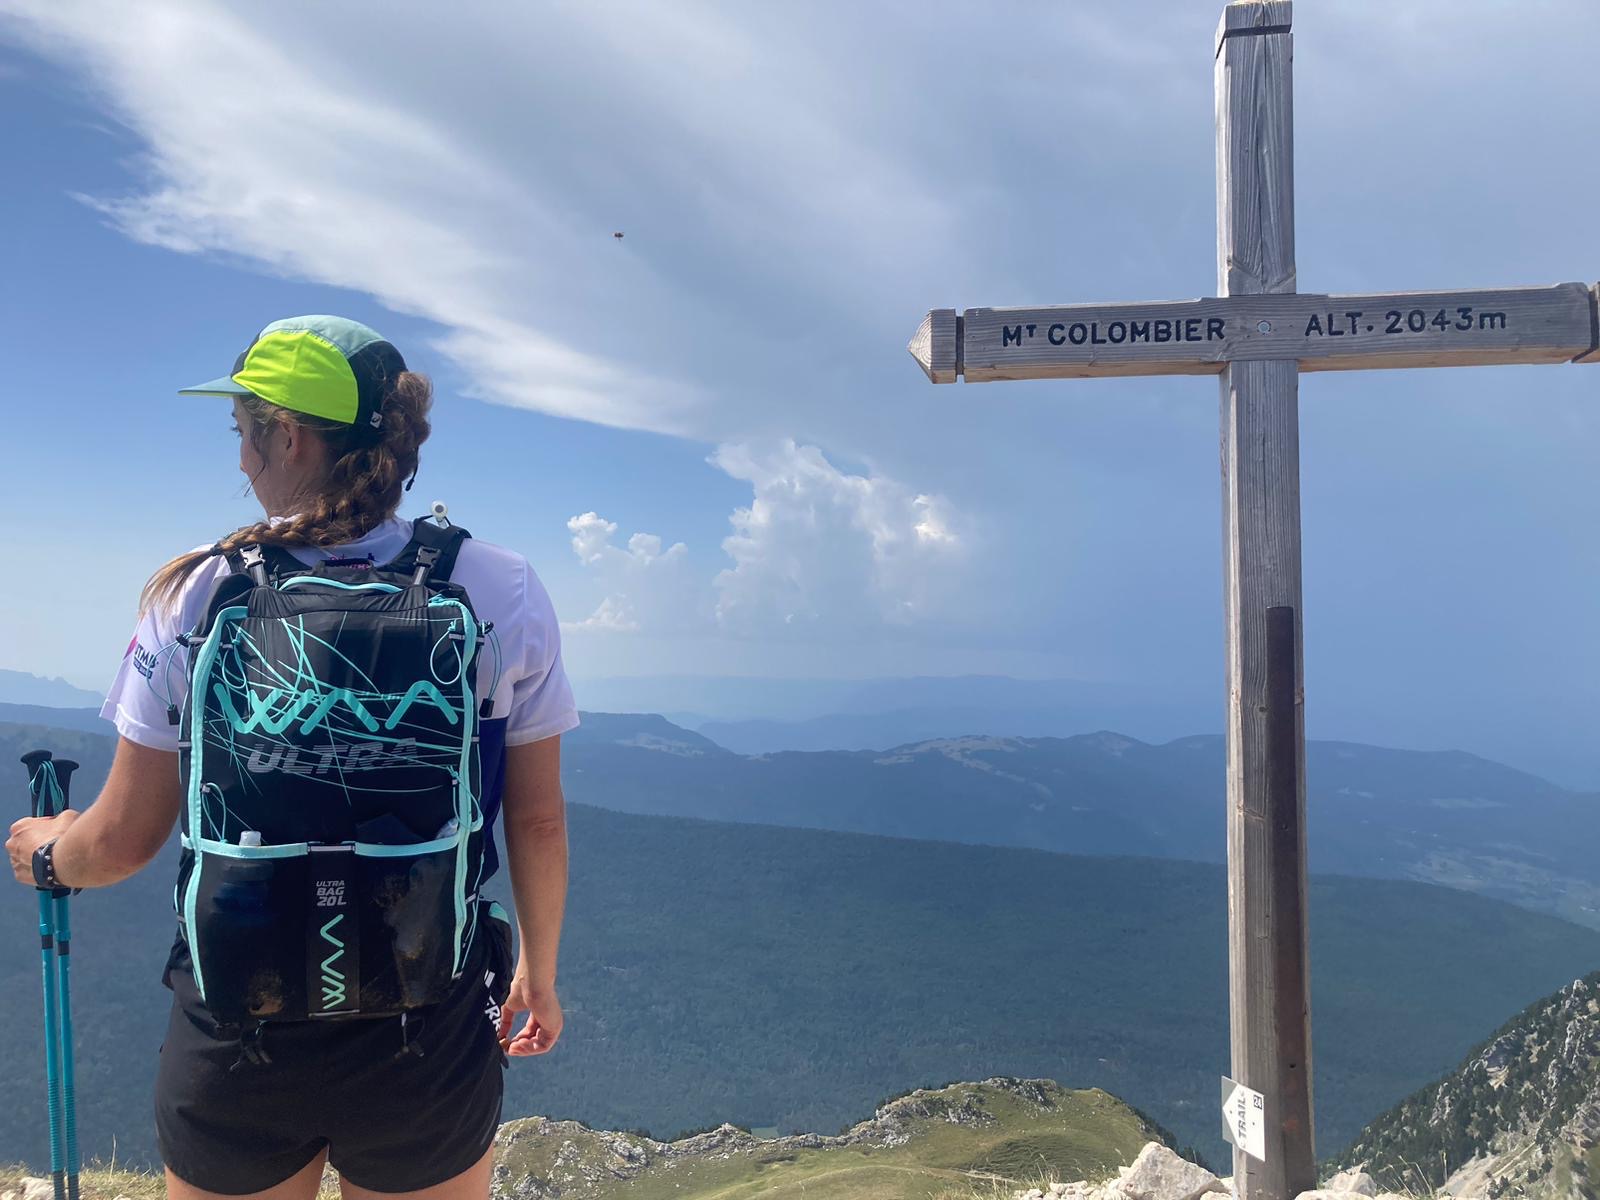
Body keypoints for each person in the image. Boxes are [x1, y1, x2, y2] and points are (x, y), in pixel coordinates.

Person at [6, 315, 579, 1200]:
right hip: (425, 1019)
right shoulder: (499, 587)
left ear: (290, 436)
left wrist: (48, 854)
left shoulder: (200, 591)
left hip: (240, 1028)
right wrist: (538, 970)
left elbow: (120, 841)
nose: (241, 460)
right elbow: (535, 818)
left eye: (244, 431)